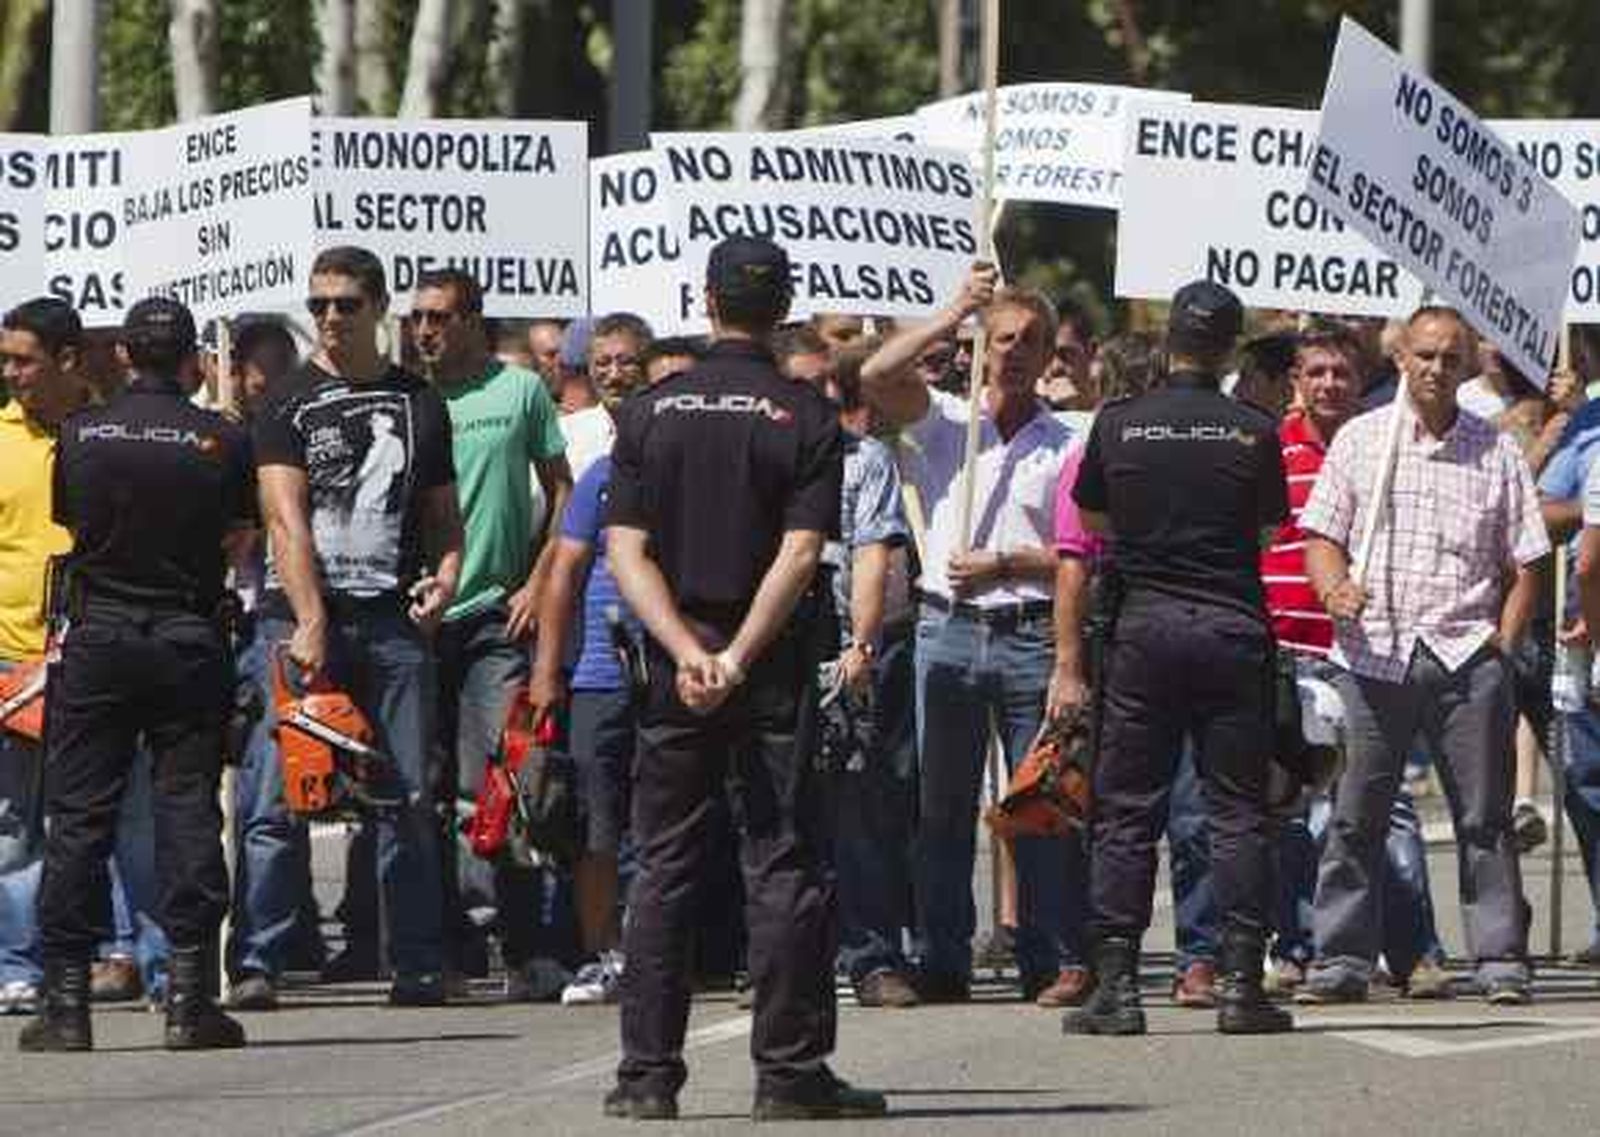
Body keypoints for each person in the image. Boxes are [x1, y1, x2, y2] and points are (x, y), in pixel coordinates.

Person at [602, 235, 884, 1121]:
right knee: (784, 864)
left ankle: (647, 1077)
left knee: (666, 866)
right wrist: (735, 655)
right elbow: (803, 552)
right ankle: (790, 1073)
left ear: (706, 298)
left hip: (677, 662)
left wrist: (689, 652)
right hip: (767, 666)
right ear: (783, 304)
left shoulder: (649, 410)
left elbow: (625, 550)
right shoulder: (805, 416)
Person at [23, 297, 254, 1052]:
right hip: (185, 634)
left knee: (79, 817)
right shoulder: (220, 438)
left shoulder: (83, 433)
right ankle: (189, 998)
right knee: (187, 806)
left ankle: (65, 1004)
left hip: (101, 635)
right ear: (191, 357)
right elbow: (238, 533)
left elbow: (72, 523)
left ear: (124, 353)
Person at [1063, 279, 1293, 1037]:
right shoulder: (1253, 428)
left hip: (1144, 629)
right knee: (1236, 811)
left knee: (1127, 810)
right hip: (1229, 627)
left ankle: (1119, 988)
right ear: (1229, 347)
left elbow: (1095, 520)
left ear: (1169, 340)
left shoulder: (1120, 422)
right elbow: (1264, 535)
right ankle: (1239, 987)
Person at [1298, 307, 1547, 1006]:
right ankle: (1342, 959)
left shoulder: (1493, 450)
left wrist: (1506, 637)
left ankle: (1499, 960)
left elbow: (1527, 558)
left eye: (1450, 357)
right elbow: (1322, 534)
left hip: (1467, 656)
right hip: (1373, 656)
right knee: (1356, 816)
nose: (1437, 368)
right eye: (1425, 355)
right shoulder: (1361, 440)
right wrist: (1333, 586)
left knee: (1484, 818)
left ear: (1467, 365)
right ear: (1402, 357)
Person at [861, 265, 1086, 1007]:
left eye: (1031, 341)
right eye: (1003, 339)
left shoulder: (1066, 442)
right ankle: (943, 955)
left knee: (1036, 803)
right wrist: (955, 307)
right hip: (948, 634)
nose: (1015, 352)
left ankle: (1050, 956)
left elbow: (1081, 555)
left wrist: (1009, 561)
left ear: (1052, 352)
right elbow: (874, 373)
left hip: (1026, 631)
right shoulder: (946, 425)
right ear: (982, 347)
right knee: (943, 807)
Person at [254, 245, 463, 1007]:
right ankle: (260, 959)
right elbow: (284, 518)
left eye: (345, 303)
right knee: (275, 797)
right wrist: (310, 620)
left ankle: (415, 961)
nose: (330, 318)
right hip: (300, 618)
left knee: (406, 796)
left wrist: (445, 579)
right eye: (318, 305)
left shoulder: (420, 401)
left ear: (379, 308)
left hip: (391, 621)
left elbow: (445, 519)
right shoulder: (285, 400)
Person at [1257, 320, 1447, 999]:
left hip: (1369, 654)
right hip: (1289, 650)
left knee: (1381, 806)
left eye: (1342, 371)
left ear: (1361, 377)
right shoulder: (1268, 450)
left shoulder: (1391, 444)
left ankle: (1415, 950)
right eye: (1317, 372)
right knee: (1285, 807)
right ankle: (1299, 946)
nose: (1330, 383)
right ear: (1296, 383)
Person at [411, 268, 574, 998]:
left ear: (474, 320)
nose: (424, 331)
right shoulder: (406, 398)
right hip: (416, 620)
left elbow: (564, 489)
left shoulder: (520, 393)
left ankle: (521, 943)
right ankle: (444, 947)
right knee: (425, 789)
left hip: (492, 619)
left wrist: (539, 579)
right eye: (417, 318)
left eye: (439, 317)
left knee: (502, 784)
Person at [1048, 328, 1221, 1010]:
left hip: (1189, 637)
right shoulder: (1091, 454)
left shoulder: (1203, 451)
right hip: (1119, 641)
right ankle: (1100, 956)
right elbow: (1073, 564)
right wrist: (1069, 666)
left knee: (1192, 808)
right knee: (1117, 813)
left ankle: (1198, 956)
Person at [817, 341, 919, 1008]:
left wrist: (860, 642)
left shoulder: (867, 460)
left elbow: (873, 551)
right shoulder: (762, 453)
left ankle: (874, 954)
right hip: (769, 644)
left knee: (861, 801)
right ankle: (785, 954)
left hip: (845, 643)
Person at [0, 299, 86, 1017]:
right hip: (10, 662)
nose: (10, 372)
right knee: (14, 827)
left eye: (23, 359)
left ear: (66, 359)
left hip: (97, 655)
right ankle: (21, 964)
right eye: (5, 359)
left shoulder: (106, 427)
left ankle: (132, 953)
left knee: (109, 817)